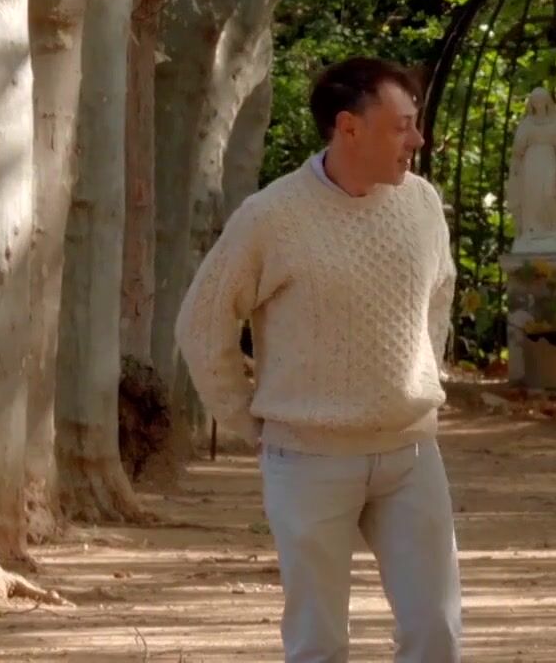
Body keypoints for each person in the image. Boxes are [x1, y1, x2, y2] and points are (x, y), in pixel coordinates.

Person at [175, 57, 461, 663]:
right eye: (402, 125)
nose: (417, 139)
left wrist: (422, 373)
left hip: (411, 454)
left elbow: (441, 291)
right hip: (307, 460)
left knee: (436, 630)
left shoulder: (422, 203)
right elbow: (203, 323)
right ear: (348, 127)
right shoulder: (272, 216)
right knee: (319, 644)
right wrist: (245, 418)